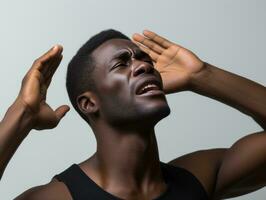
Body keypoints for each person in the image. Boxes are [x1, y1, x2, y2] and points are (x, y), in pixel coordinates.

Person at [0, 29, 265, 200]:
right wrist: (20, 115)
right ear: (89, 103)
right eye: (121, 64)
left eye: (145, 60)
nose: (143, 66)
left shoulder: (198, 178)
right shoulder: (59, 197)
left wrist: (202, 76)